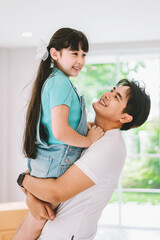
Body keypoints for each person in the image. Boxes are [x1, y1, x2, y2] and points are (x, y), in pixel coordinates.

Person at [16, 79, 150, 240]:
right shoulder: (88, 134)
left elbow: (55, 192)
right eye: (112, 90)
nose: (108, 94)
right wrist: (32, 198)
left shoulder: (110, 147)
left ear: (125, 118)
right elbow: (41, 173)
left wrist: (23, 180)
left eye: (116, 97)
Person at [13, 28, 104, 240]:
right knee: (33, 227)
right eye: (75, 53)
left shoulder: (54, 79)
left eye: (84, 55)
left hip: (48, 162)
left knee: (30, 225)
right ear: (55, 54)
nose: (80, 60)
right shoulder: (61, 82)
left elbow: (62, 126)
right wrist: (88, 140)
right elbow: (61, 131)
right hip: (56, 165)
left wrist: (84, 129)